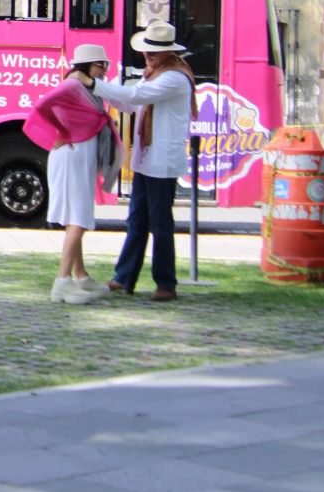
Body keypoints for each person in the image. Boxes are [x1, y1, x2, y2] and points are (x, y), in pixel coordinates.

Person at [92, 20, 197, 302]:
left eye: (154, 50)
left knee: (160, 224)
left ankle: (165, 283)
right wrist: (109, 91)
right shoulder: (156, 73)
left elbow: (137, 96)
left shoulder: (173, 77)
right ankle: (125, 277)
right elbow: (132, 103)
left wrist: (97, 85)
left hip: (161, 161)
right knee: (137, 220)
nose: (148, 55)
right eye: (147, 49)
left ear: (169, 52)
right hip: (148, 159)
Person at [24, 43, 116, 305]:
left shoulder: (84, 86)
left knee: (76, 217)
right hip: (73, 156)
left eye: (105, 65)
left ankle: (80, 275)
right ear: (87, 65)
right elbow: (42, 106)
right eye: (100, 65)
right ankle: (62, 282)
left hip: (78, 156)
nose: (104, 70)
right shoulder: (74, 85)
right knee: (79, 219)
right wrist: (61, 132)